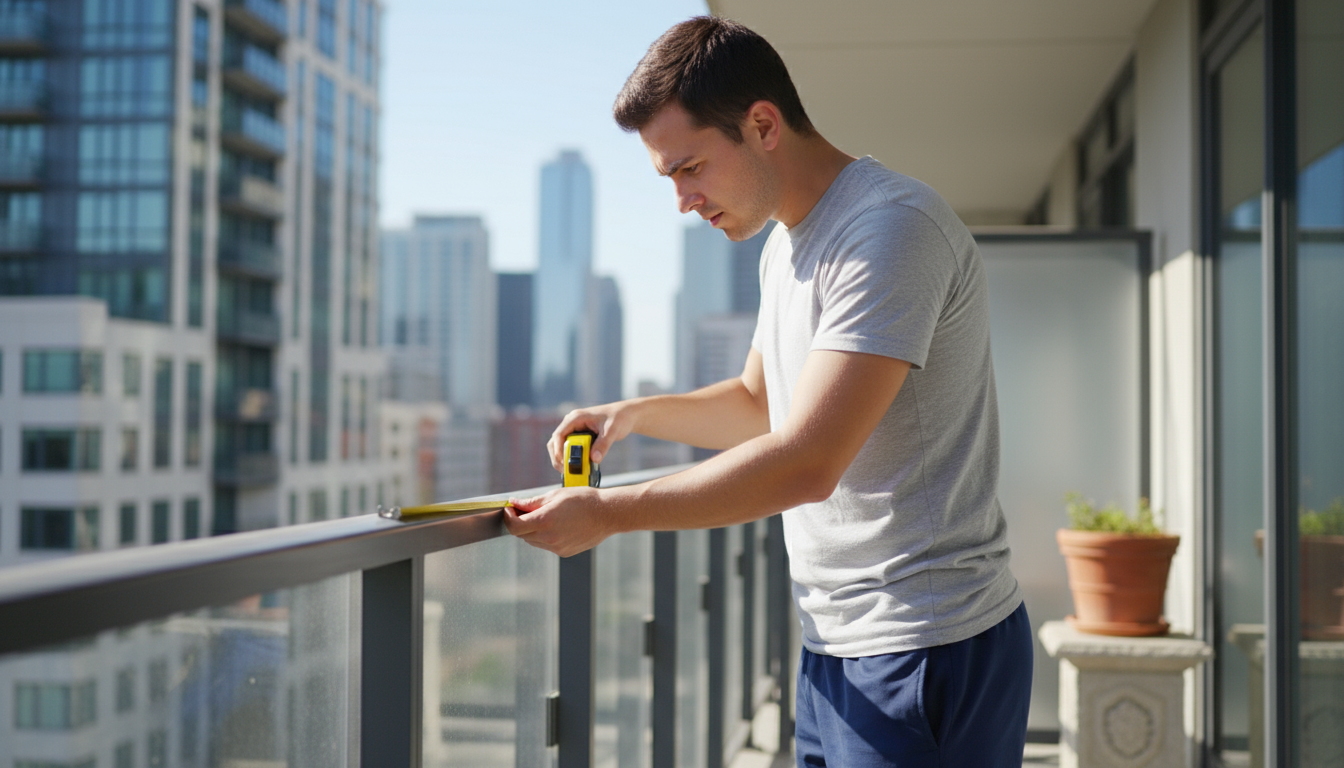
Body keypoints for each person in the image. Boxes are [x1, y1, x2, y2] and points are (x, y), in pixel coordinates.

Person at [503, 16, 1032, 767]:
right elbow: (760, 403)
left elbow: (807, 461)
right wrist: (631, 416)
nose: (683, 200)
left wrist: (610, 513)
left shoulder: (889, 231)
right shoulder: (787, 244)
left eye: (689, 168)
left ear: (761, 124)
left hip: (926, 643)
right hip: (835, 644)